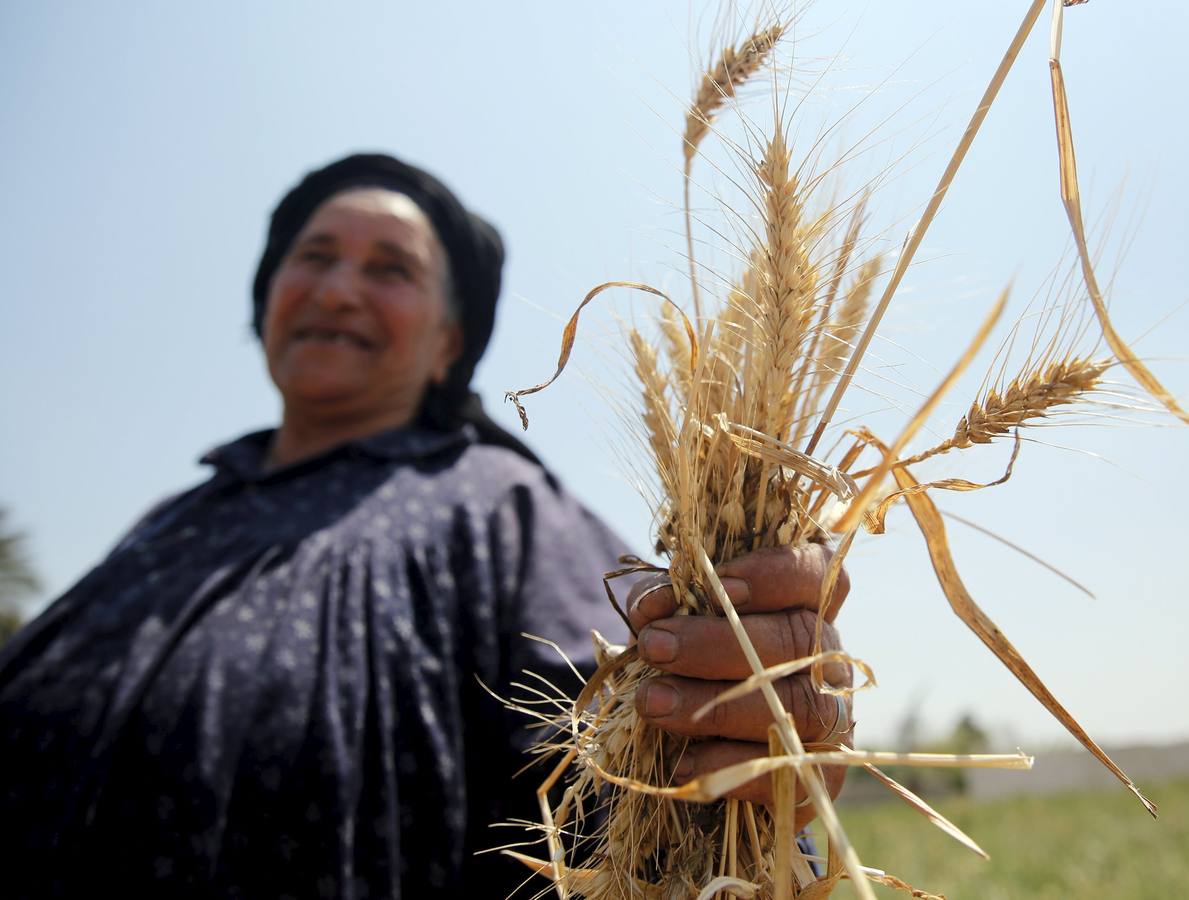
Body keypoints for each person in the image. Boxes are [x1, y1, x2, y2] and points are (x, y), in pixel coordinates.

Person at [0, 153, 851, 898]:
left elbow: (620, 794)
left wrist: (738, 748)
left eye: (390, 270)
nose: (337, 289)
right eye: (315, 257)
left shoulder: (501, 507)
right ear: (268, 302)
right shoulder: (171, 517)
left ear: (450, 341)